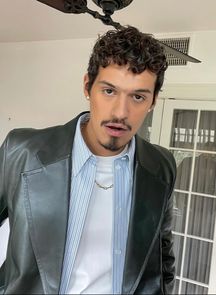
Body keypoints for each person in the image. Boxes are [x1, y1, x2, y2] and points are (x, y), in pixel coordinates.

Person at [0, 26, 176, 294]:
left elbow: (161, 256)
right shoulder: (22, 151)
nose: (120, 112)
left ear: (152, 102)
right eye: (108, 91)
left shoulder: (161, 165)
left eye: (138, 97)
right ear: (87, 86)